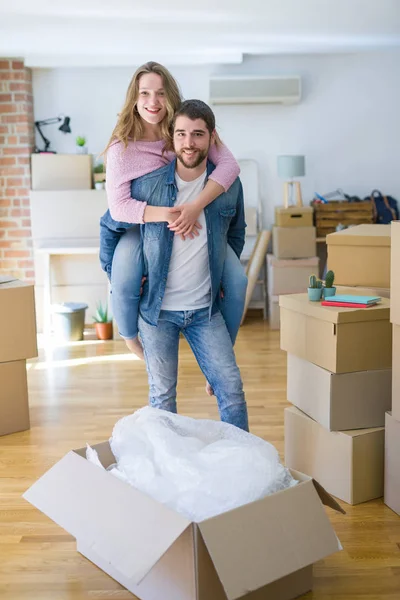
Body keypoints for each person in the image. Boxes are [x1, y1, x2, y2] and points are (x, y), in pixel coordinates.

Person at [101, 99, 249, 432]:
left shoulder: (227, 188)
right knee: (163, 399)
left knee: (232, 392)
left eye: (198, 134)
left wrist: (223, 275)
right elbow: (111, 224)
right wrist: (119, 274)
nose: (189, 143)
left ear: (212, 138)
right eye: (181, 134)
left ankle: (242, 463)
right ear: (172, 137)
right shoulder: (148, 186)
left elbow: (236, 234)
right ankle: (169, 473)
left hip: (205, 312)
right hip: (156, 314)